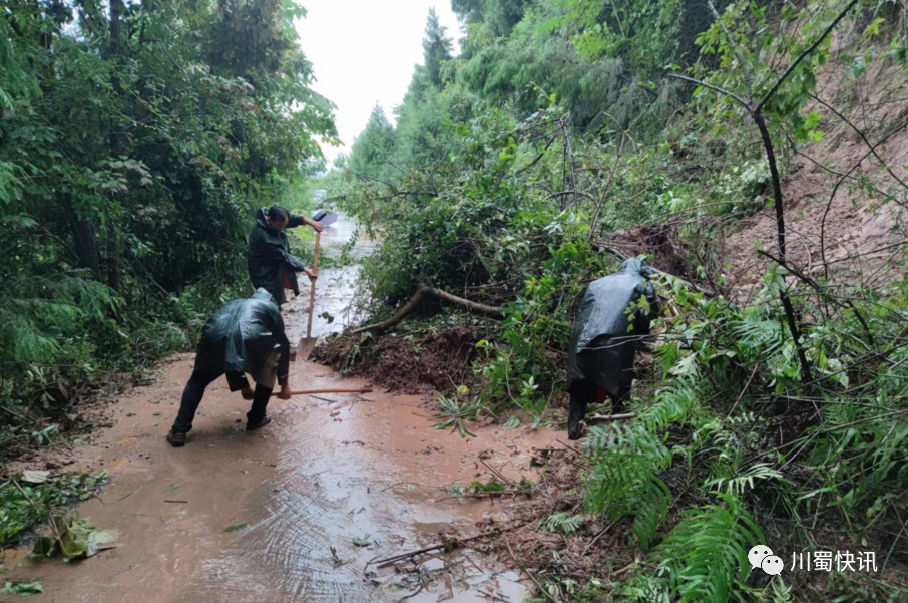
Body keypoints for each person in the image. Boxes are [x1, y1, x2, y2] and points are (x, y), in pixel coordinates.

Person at [166, 289, 293, 446]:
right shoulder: (271, 307)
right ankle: (256, 418)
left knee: (197, 380)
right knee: (270, 363)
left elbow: (230, 348)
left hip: (212, 336)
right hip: (248, 336)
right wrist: (285, 384)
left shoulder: (234, 303)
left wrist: (244, 386)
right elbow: (283, 346)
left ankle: (179, 430)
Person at [566, 258, 657, 440]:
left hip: (582, 342)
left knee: (579, 386)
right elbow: (646, 319)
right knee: (620, 387)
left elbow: (584, 313)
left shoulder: (596, 284)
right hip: (616, 344)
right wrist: (640, 336)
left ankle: (573, 432)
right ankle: (616, 435)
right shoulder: (642, 284)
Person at [247, 206, 322, 307]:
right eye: (280, 226)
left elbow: (297, 219)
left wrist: (313, 223)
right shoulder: (263, 237)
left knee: (278, 296)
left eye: (285, 225)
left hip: (274, 265)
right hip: (262, 271)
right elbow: (284, 256)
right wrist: (306, 270)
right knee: (269, 300)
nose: (283, 228)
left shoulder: (279, 219)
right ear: (270, 220)